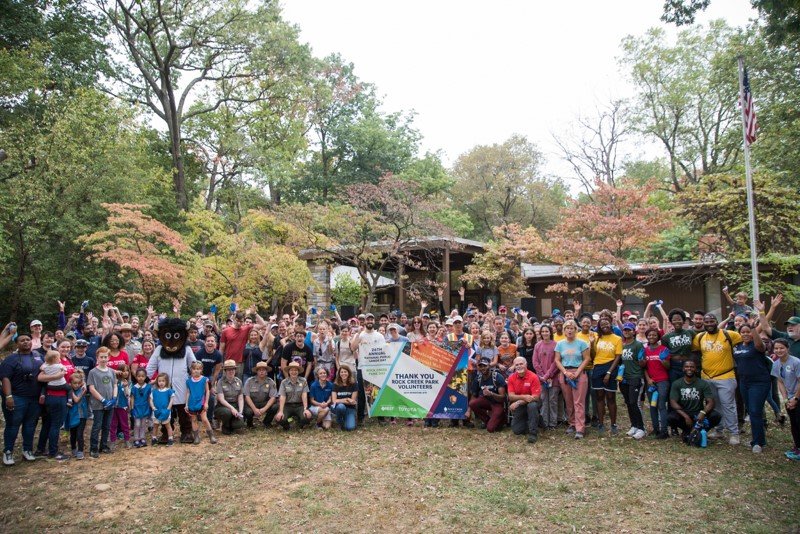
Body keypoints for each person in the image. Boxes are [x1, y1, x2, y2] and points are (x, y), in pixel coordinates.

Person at [692, 313, 742, 445]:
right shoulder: (700, 337)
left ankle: (733, 433)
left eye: (712, 321)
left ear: (717, 321)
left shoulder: (729, 335)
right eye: (706, 322)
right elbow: (695, 353)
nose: (709, 324)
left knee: (728, 405)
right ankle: (719, 430)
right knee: (714, 406)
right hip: (707, 377)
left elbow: (746, 341)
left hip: (726, 376)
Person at [1, 334, 46, 465]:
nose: (26, 342)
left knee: (30, 425)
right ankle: (8, 452)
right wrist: (8, 396)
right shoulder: (11, 359)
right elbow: (5, 378)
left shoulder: (38, 356)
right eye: (22, 340)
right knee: (13, 425)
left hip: (34, 398)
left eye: (28, 340)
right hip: (17, 397)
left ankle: (27, 450)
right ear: (17, 344)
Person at [733, 323, 771, 453]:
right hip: (744, 382)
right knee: (750, 410)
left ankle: (758, 443)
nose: (745, 334)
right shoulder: (737, 346)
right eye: (742, 332)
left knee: (755, 411)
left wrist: (754, 329)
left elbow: (761, 346)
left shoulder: (756, 345)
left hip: (759, 382)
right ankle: (759, 439)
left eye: (747, 331)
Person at [667, 360, 722, 440]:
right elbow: (673, 403)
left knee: (716, 416)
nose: (689, 369)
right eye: (687, 367)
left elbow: (711, 402)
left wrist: (703, 412)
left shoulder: (703, 383)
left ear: (696, 369)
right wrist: (685, 416)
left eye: (692, 367)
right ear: (683, 369)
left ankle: (700, 431)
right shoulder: (677, 383)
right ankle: (687, 431)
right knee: (670, 417)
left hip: (698, 413)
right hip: (684, 412)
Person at [555, 320, 591, 439]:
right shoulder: (560, 344)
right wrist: (565, 372)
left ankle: (580, 428)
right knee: (569, 401)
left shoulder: (582, 343)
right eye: (567, 328)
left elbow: (587, 359)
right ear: (564, 330)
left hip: (579, 373)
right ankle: (572, 423)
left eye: (572, 328)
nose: (569, 330)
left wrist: (577, 372)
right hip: (565, 374)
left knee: (578, 402)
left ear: (576, 330)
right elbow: (557, 360)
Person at [591, 318, 623, 435]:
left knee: (610, 397)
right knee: (599, 397)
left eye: (607, 323)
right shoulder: (597, 337)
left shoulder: (617, 338)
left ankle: (613, 424)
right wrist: (591, 343)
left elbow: (618, 356)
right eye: (602, 324)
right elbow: (593, 355)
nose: (605, 325)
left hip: (611, 367)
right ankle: (601, 423)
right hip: (597, 367)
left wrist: (609, 372)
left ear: (611, 324)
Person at [771, 338, 800, 460]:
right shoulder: (776, 364)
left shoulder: (796, 362)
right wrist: (785, 399)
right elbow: (780, 381)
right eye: (776, 348)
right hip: (790, 398)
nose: (779, 350)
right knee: (794, 423)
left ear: (787, 348)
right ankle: (797, 447)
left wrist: (796, 399)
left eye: (782, 348)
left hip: (798, 396)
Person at [87, 348, 117, 458]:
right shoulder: (93, 372)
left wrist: (113, 398)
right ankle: (93, 448)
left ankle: (103, 445)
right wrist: (103, 400)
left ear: (109, 357)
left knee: (107, 426)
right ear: (97, 358)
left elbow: (114, 385)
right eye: (101, 357)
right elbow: (91, 388)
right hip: (98, 404)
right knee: (97, 426)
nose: (103, 359)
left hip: (110, 403)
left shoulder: (111, 371)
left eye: (105, 357)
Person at [620, 323, 646, 439]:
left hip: (636, 377)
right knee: (628, 403)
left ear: (633, 331)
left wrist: (642, 360)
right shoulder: (623, 346)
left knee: (634, 402)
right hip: (624, 378)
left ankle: (641, 428)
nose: (626, 332)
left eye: (628, 330)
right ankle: (634, 425)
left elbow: (643, 363)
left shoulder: (638, 345)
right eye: (625, 330)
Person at [506, 356, 541, 443]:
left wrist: (518, 402)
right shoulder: (511, 378)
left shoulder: (533, 376)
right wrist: (524, 397)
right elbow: (511, 396)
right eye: (516, 364)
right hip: (521, 405)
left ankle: (533, 433)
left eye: (521, 364)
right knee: (517, 431)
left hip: (534, 403)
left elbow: (535, 397)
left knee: (532, 406)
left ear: (526, 364)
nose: (519, 366)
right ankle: (537, 421)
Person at [643, 328, 670, 439]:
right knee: (652, 406)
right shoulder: (645, 350)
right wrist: (648, 380)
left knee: (661, 405)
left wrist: (663, 360)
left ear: (658, 337)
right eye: (649, 335)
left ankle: (664, 431)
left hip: (662, 381)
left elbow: (668, 366)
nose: (652, 337)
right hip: (651, 382)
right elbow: (643, 367)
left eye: (654, 335)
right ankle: (656, 429)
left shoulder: (663, 349)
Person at [468, 357, 507, 433]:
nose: (483, 368)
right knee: (472, 403)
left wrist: (491, 394)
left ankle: (501, 419)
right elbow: (474, 395)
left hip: (497, 403)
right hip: (486, 401)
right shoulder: (478, 378)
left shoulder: (497, 377)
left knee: (491, 429)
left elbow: (503, 398)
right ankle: (487, 420)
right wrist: (469, 410)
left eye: (485, 366)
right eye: (480, 366)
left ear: (489, 365)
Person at [532, 324, 559, 429]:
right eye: (542, 331)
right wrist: (542, 376)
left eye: (546, 331)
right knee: (543, 399)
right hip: (541, 378)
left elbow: (556, 362)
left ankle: (553, 422)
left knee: (553, 400)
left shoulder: (556, 345)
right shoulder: (538, 345)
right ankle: (544, 422)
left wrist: (548, 375)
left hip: (553, 377)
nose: (544, 333)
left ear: (550, 332)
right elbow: (535, 362)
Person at [185, 361, 217, 444]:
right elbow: (188, 392)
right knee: (194, 419)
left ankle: (211, 435)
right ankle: (196, 436)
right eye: (194, 369)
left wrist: (206, 403)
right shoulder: (189, 381)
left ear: (201, 370)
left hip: (201, 402)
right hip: (192, 403)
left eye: (198, 369)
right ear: (191, 370)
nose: (196, 370)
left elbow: (207, 391)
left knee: (204, 419)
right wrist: (186, 404)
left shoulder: (204, 379)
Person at [274, 361, 312, 430]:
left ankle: (299, 424)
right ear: (288, 371)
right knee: (279, 419)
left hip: (300, 405)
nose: (294, 372)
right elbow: (282, 397)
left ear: (298, 371)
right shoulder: (284, 382)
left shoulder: (303, 381)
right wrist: (281, 411)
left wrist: (305, 409)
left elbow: (304, 395)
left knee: (307, 416)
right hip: (287, 405)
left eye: (295, 370)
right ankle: (288, 424)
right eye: (291, 370)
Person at [242, 361, 279, 429]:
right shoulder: (249, 381)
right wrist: (255, 409)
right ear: (257, 371)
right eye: (259, 370)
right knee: (248, 411)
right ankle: (249, 424)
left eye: (263, 370)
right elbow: (247, 397)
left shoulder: (271, 382)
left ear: (266, 371)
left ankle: (267, 422)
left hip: (264, 403)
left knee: (275, 406)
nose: (261, 372)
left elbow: (273, 397)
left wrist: (264, 409)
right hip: (252, 403)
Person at [215, 359, 245, 435]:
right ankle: (225, 425)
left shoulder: (239, 381)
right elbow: (221, 399)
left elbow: (240, 398)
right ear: (225, 371)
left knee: (239, 424)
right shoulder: (220, 382)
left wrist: (240, 412)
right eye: (228, 370)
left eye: (233, 369)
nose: (231, 371)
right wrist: (232, 409)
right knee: (227, 412)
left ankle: (231, 423)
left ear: (235, 370)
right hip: (223, 406)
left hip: (235, 404)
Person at [67, 371, 89, 459]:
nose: (76, 385)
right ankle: (73, 448)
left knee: (80, 434)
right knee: (73, 434)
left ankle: (80, 451)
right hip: (73, 415)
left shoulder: (82, 388)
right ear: (70, 383)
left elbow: (84, 381)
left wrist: (83, 384)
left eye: (78, 383)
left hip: (82, 415)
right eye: (74, 383)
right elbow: (76, 400)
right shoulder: (70, 391)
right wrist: (82, 394)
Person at [109, 364, 131, 450]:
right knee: (113, 424)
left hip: (123, 406)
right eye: (123, 370)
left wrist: (125, 387)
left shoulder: (128, 382)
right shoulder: (114, 381)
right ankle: (112, 441)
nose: (125, 373)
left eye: (127, 371)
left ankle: (127, 440)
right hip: (114, 406)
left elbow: (128, 395)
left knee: (124, 424)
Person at [150, 372, 175, 446]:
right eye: (159, 381)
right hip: (156, 411)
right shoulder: (154, 391)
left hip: (165, 411)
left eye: (163, 381)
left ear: (166, 381)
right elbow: (150, 400)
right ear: (157, 382)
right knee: (155, 425)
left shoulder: (169, 391)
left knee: (167, 425)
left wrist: (168, 409)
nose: (161, 383)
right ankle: (154, 438)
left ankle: (170, 439)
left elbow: (171, 400)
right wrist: (153, 408)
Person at [130, 368, 152, 448]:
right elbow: (132, 398)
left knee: (143, 423)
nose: (141, 378)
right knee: (137, 424)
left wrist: (151, 406)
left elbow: (149, 397)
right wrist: (132, 407)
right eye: (139, 376)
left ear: (145, 377)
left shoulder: (148, 387)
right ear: (136, 377)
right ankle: (136, 438)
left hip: (145, 407)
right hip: (137, 407)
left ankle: (142, 438)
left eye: (143, 376)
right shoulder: (134, 387)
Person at [332, 365, 358, 431]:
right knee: (341, 407)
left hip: (350, 408)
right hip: (338, 407)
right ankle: (339, 422)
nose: (343, 373)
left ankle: (347, 419)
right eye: (342, 372)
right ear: (339, 374)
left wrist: (341, 400)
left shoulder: (354, 384)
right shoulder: (335, 384)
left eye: (345, 372)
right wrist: (347, 399)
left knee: (350, 428)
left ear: (349, 373)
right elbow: (334, 400)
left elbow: (353, 402)